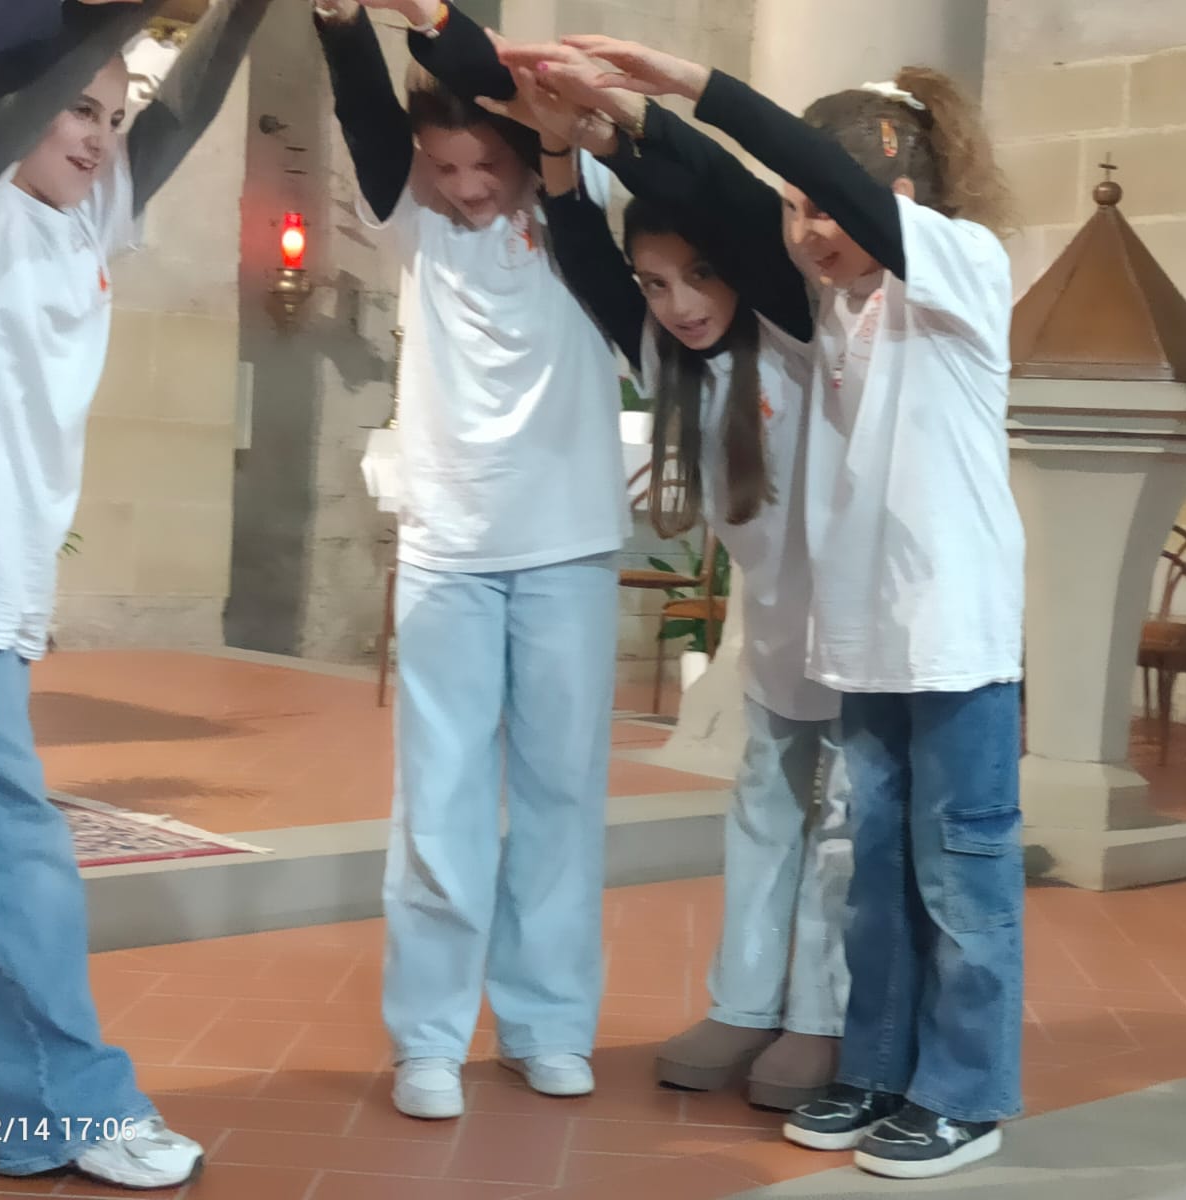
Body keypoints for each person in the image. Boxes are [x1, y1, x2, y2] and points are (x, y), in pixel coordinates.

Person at [549, 35, 1025, 1181]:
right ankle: (877, 1066)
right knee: (875, 880)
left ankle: (965, 1095)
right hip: (862, 642)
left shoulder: (959, 268)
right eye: (796, 212)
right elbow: (721, 210)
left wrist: (684, 87)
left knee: (961, 878)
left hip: (952, 639)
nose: (805, 230)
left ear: (896, 194)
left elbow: (784, 177)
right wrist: (604, 137)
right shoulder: (835, 311)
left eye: (824, 205)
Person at [0, 0, 269, 1187]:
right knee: (2, 842)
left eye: (112, 117)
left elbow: (187, 109)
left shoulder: (89, 212)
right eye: (79, 108)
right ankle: (60, 1110)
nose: (98, 135)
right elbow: (37, 75)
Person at [479, 50, 855, 1112]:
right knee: (763, 811)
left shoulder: (793, 325)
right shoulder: (665, 354)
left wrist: (625, 120)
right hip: (776, 634)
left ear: (738, 268)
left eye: (697, 276)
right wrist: (556, 150)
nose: (678, 303)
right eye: (655, 284)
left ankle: (822, 1018)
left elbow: (735, 202)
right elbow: (580, 252)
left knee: (841, 830)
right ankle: (745, 1002)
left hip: (856, 630)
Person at [312, 0, 627, 1121]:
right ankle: (430, 1039)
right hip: (449, 549)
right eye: (444, 167)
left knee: (560, 796)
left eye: (485, 164)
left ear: (523, 147)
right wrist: (341, 24)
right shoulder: (414, 217)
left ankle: (547, 1024)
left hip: (568, 546)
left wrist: (435, 22)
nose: (467, 188)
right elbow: (363, 113)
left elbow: (504, 83)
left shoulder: (586, 207)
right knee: (438, 803)